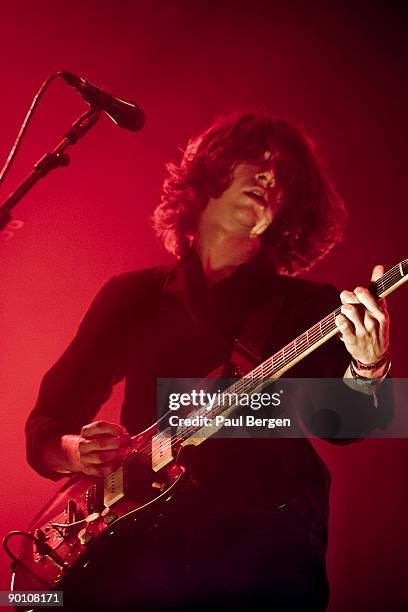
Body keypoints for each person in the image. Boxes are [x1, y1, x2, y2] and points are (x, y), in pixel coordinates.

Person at [26, 112, 392, 610]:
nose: (269, 177)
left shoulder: (309, 306)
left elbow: (346, 424)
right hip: (130, 554)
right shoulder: (131, 296)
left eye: (283, 175)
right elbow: (47, 421)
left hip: (256, 555)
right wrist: (73, 451)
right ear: (209, 171)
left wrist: (369, 368)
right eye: (257, 162)